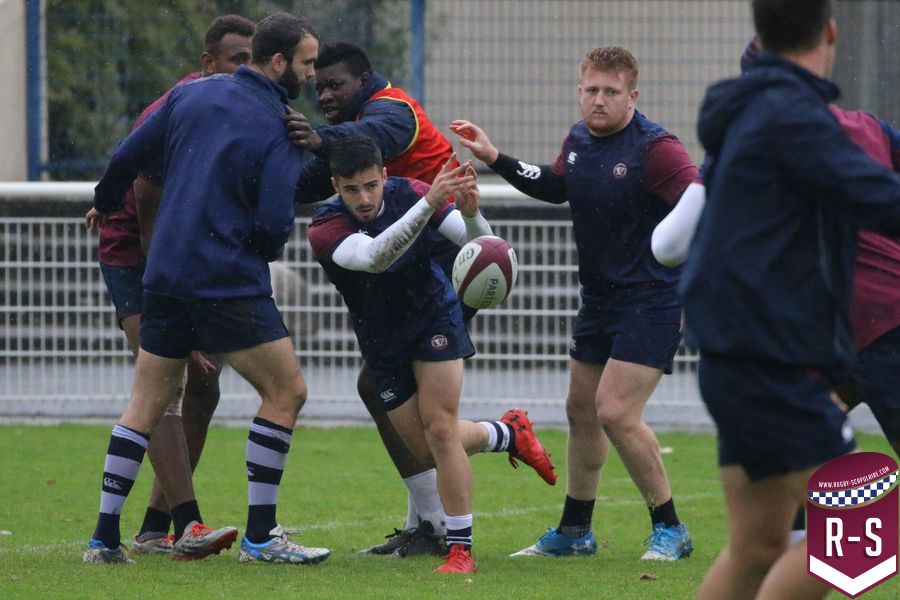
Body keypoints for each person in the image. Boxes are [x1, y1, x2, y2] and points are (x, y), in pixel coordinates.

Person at [289, 41, 557, 557]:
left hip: (436, 296)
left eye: (335, 85)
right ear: (337, 187)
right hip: (385, 318)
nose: (325, 95)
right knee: (426, 435)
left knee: (438, 429)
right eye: (318, 87)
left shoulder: (394, 115)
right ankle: (504, 435)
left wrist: (466, 211)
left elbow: (481, 241)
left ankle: (450, 541)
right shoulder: (327, 223)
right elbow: (373, 255)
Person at [83, 12, 329, 566]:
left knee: (146, 403)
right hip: (226, 279)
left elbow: (126, 157)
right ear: (278, 62)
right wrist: (258, 249)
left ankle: (103, 538)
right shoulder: (281, 126)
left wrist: (105, 198)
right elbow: (274, 222)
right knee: (286, 392)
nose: (312, 74)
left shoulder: (189, 95)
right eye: (308, 63)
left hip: (163, 275)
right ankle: (262, 537)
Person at [680, 1, 900, 597]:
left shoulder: (753, 111)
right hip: (773, 365)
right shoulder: (792, 115)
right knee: (864, 533)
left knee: (755, 547)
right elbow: (880, 198)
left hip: (738, 361)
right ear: (830, 31)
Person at [451, 46, 696, 561]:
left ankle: (671, 528)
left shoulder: (658, 150)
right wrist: (495, 157)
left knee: (616, 412)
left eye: (611, 91)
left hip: (652, 300)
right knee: (581, 411)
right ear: (579, 91)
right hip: (599, 301)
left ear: (633, 96)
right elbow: (557, 184)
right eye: (591, 90)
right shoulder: (579, 138)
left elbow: (701, 212)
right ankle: (575, 530)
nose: (599, 100)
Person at [653, 37, 900, 460]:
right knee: (793, 449)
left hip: (869, 323)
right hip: (847, 327)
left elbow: (668, 246)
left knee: (780, 456)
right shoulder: (866, 126)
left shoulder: (745, 143)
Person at [83, 13, 254, 558]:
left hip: (189, 257)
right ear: (208, 63)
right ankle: (185, 523)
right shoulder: (177, 109)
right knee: (161, 386)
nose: (246, 70)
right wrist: (182, 313)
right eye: (237, 60)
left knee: (204, 385)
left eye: (254, 60)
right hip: (139, 258)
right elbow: (149, 216)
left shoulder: (243, 109)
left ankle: (155, 528)